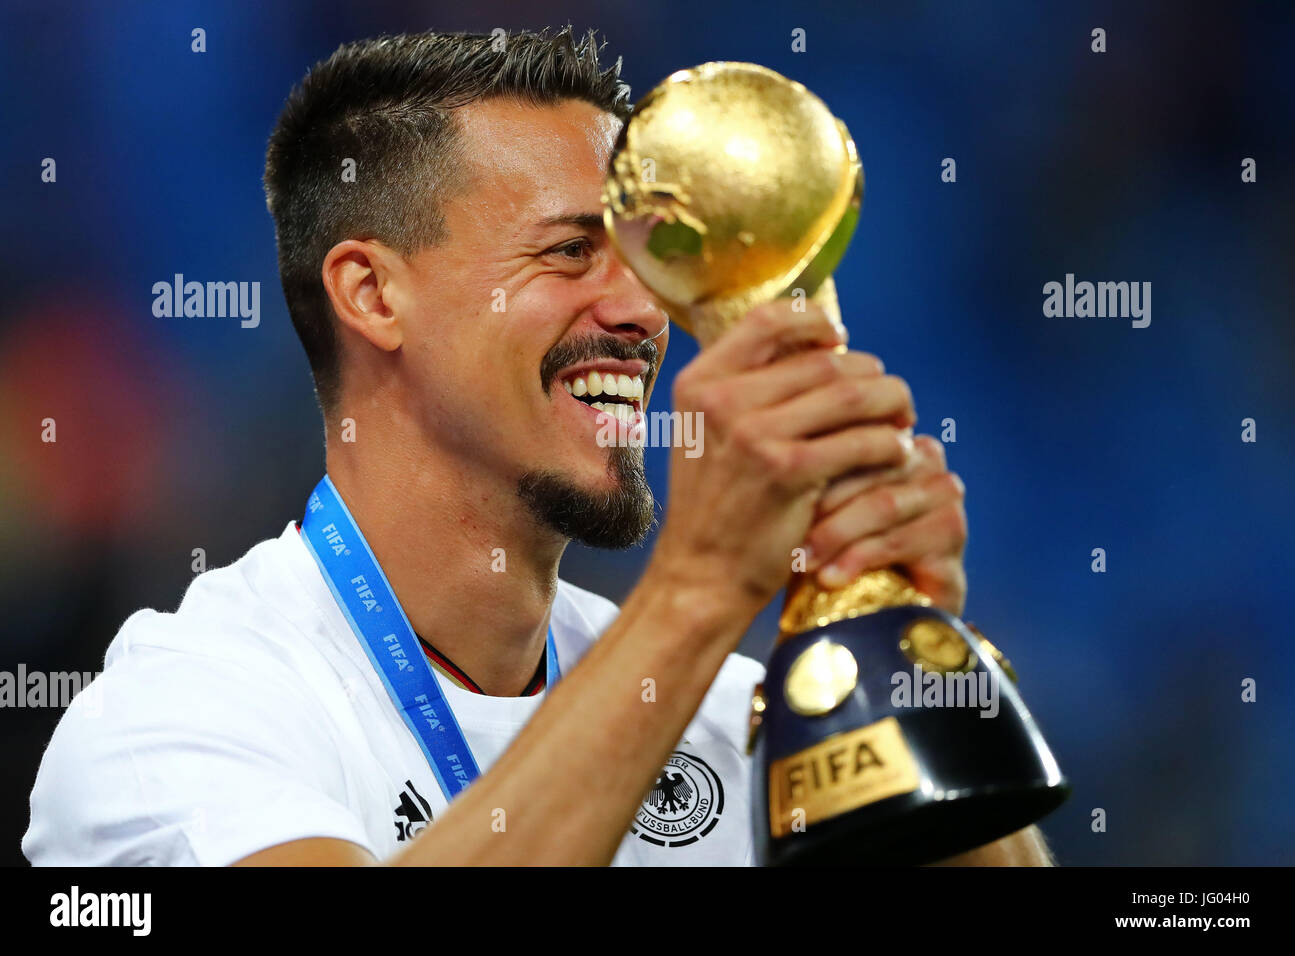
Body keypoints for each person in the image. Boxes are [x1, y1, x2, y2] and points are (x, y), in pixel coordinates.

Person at [23, 28, 1050, 866]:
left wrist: (896, 642)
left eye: (646, 260)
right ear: (373, 293)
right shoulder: (181, 713)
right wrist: (695, 589)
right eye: (570, 251)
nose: (644, 309)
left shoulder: (736, 717)